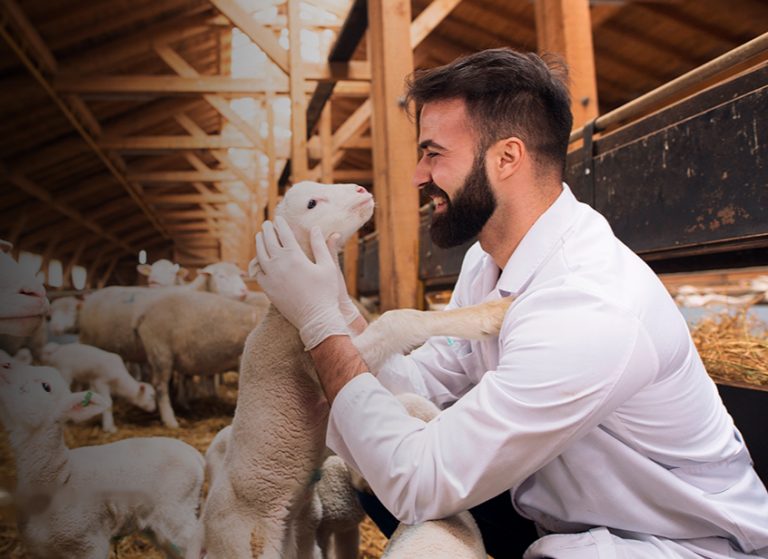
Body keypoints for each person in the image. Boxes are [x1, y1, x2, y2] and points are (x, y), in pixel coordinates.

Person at [252, 48, 768, 558]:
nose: (416, 175)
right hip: (555, 510)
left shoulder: (588, 303)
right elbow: (421, 385)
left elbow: (417, 481)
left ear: (507, 158)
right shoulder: (487, 262)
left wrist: (320, 324)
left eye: (433, 154)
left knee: (399, 480)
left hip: (670, 544)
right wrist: (336, 303)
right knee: (369, 471)